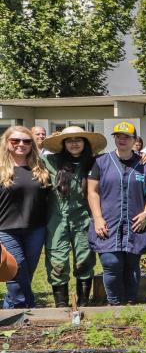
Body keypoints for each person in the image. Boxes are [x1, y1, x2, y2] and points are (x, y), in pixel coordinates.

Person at [87, 122, 146, 306]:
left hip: (135, 222)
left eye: (126, 137)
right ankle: (114, 303)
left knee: (132, 265)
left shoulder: (145, 164)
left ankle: (130, 303)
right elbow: (92, 191)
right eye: (118, 136)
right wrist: (97, 218)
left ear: (135, 140)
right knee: (111, 263)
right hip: (108, 221)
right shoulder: (101, 162)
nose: (121, 140)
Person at [41, 126, 106, 307]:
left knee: (84, 259)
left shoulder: (96, 162)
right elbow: (26, 160)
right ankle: (61, 305)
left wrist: (143, 157)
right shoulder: (50, 161)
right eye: (69, 140)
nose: (74, 143)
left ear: (85, 143)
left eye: (78, 139)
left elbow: (119, 160)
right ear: (63, 144)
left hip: (83, 217)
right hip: (56, 219)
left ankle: (83, 302)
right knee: (57, 261)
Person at [0, 127, 50, 309]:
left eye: (27, 141)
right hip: (6, 229)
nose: (21, 144)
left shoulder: (40, 168)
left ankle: (9, 309)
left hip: (36, 229)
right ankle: (27, 308)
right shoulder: (1, 169)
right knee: (16, 269)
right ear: (7, 143)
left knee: (26, 273)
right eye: (15, 140)